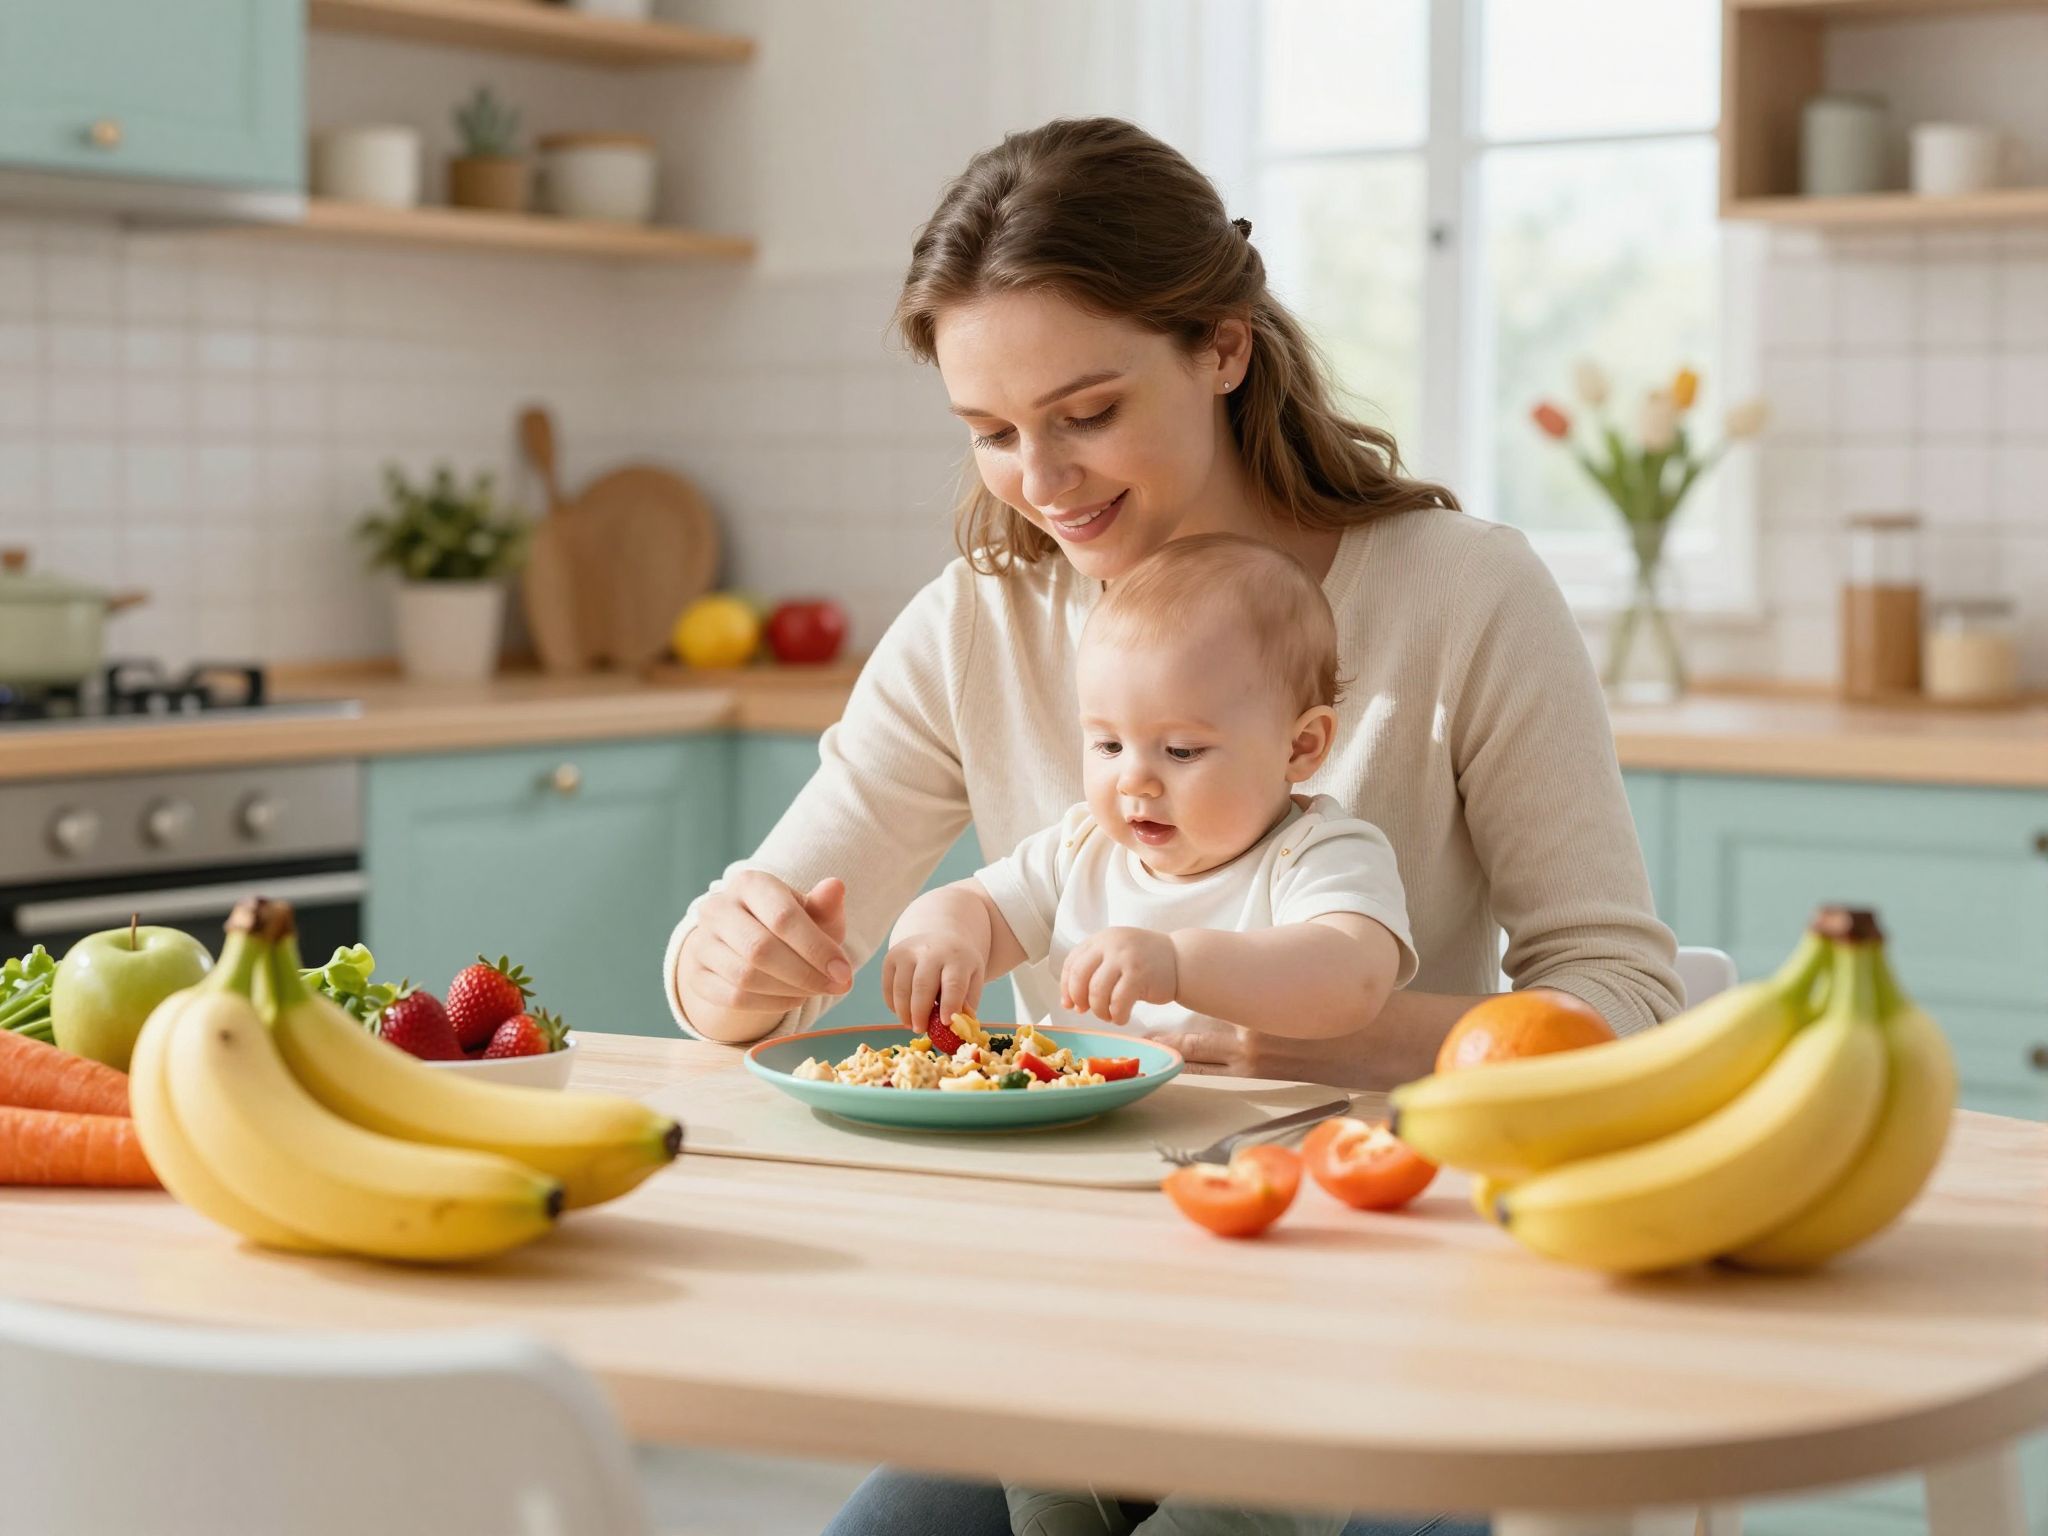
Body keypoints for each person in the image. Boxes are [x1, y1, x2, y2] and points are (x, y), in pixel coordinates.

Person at [662, 116, 1681, 1536]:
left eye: (1086, 412)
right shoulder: (982, 618)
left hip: (1398, 1307)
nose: (1043, 477)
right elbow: (762, 924)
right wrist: (727, 965)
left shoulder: (1463, 597)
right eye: (993, 433)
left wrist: (1348, 1030)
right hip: (1073, 1315)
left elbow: (1626, 1006)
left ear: (1223, 346)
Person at [887, 533, 1406, 1536]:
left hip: (1280, 1274)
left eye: (1179, 749)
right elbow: (981, 907)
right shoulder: (1082, 850)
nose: (1134, 781)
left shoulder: (1319, 851)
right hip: (1093, 1255)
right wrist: (938, 931)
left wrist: (1184, 965)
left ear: (1300, 747)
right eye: (1107, 743)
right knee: (1042, 1461)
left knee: (1239, 1500)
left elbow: (1351, 977)